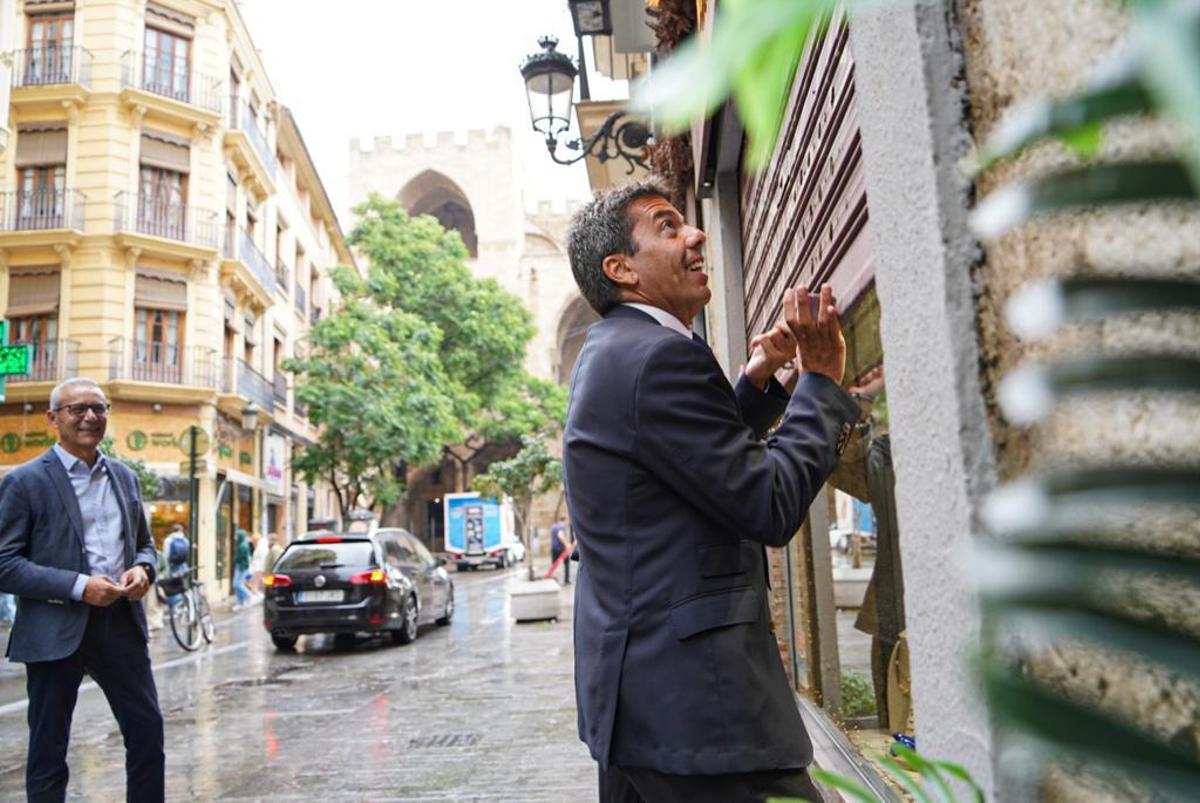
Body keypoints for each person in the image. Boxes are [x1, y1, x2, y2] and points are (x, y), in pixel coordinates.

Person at [563, 182, 859, 803]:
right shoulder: (658, 356)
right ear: (621, 269)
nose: (696, 235)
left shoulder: (617, 351)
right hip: (702, 717)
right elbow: (766, 504)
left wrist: (755, 383)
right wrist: (822, 385)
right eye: (668, 227)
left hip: (644, 706)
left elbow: (680, 461)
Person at [0, 378, 164, 802]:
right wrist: (78, 586)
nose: (90, 416)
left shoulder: (125, 477)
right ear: (53, 418)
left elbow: (145, 543)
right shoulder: (26, 482)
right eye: (77, 409)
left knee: (147, 731)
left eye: (98, 407)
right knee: (49, 750)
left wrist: (143, 569)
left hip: (120, 626)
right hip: (55, 630)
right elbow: (5, 564)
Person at [232, 529, 252, 610]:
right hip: (241, 567)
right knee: (237, 585)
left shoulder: (243, 546)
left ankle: (248, 596)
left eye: (236, 535)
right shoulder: (242, 544)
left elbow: (241, 557)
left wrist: (235, 559)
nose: (235, 537)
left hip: (241, 567)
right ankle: (241, 602)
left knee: (237, 584)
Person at [550, 519, 573, 584]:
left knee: (554, 564)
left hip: (554, 548)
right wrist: (567, 544)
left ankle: (552, 579)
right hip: (561, 549)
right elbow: (560, 535)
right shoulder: (561, 527)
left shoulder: (554, 526)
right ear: (563, 521)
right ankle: (566, 580)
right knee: (566, 563)